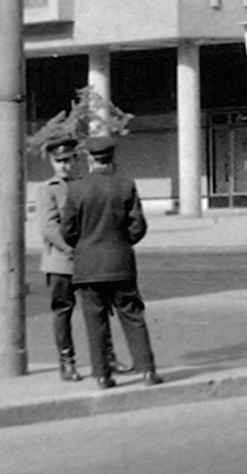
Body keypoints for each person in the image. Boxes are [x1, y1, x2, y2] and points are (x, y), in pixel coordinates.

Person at [61, 136, 159, 390]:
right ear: (112, 158)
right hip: (120, 262)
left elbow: (67, 230)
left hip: (88, 266)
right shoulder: (125, 185)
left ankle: (103, 376)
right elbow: (138, 225)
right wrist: (121, 242)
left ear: (90, 158)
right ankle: (147, 371)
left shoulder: (76, 188)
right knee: (133, 316)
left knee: (95, 321)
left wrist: (84, 244)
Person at [40, 137, 121, 381]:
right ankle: (67, 362)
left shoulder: (84, 185)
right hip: (61, 262)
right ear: (52, 163)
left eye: (68, 160)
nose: (64, 166)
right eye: (58, 161)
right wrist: (71, 250)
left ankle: (107, 358)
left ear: (76, 159)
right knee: (63, 312)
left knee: (99, 310)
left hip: (89, 262)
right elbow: (48, 228)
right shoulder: (47, 190)